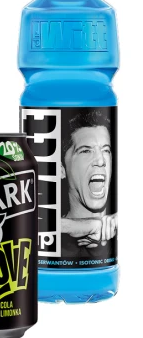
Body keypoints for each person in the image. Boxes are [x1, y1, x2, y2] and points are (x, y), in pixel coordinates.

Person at [60, 110, 117, 258]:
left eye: (106, 150)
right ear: (61, 169)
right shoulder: (48, 242)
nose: (100, 160)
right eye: (85, 151)